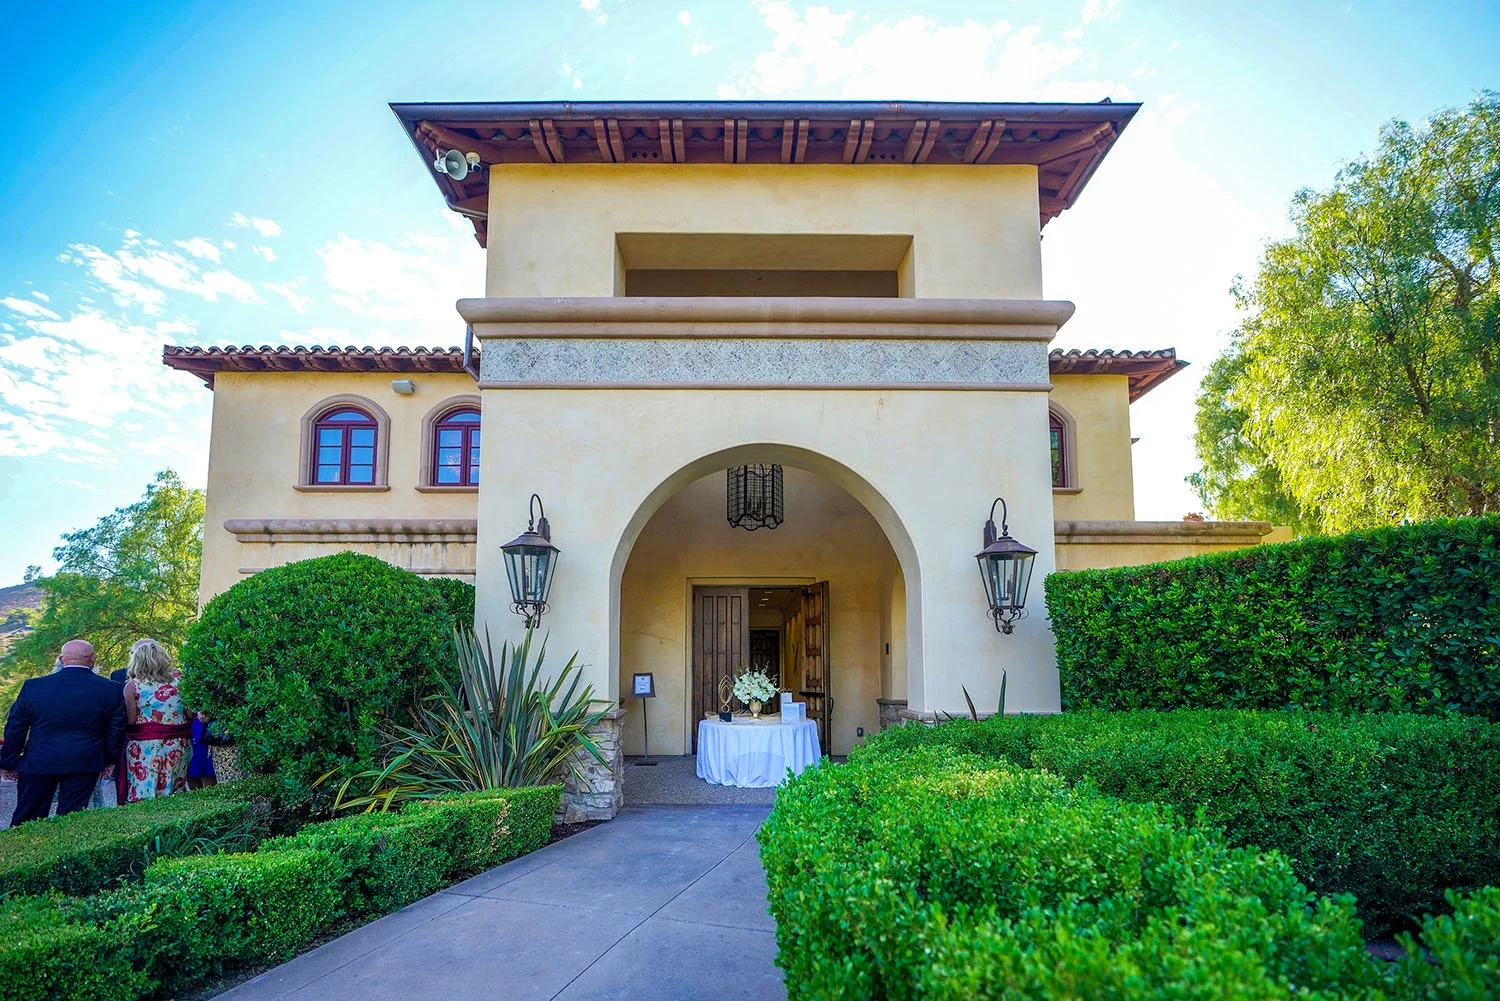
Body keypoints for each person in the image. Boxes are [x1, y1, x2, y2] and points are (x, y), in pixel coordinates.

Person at [0, 639, 126, 826]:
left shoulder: (33, 687)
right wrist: (109, 760)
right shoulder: (111, 689)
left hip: (39, 760)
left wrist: (8, 761)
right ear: (93, 659)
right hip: (85, 760)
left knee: (27, 817)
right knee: (71, 819)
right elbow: (116, 730)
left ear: (61, 659)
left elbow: (15, 727)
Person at [119, 639, 194, 802]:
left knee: (145, 787)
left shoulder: (132, 686)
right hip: (178, 743)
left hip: (145, 745)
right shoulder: (180, 681)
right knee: (175, 787)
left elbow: (131, 721)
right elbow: (189, 714)